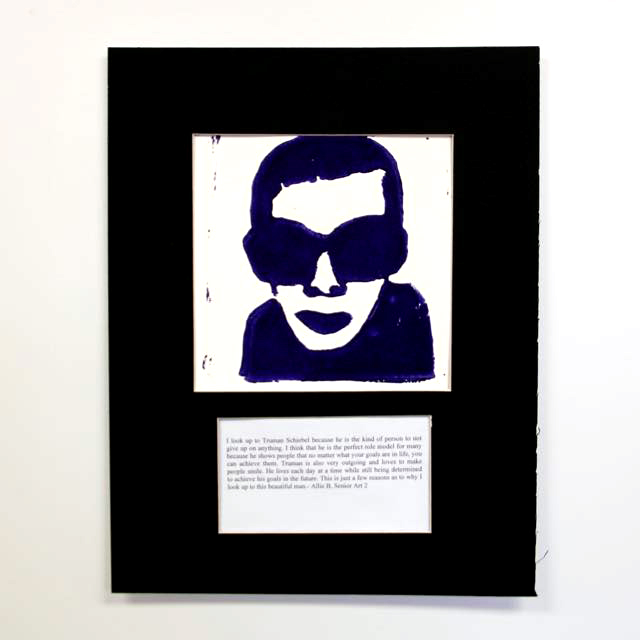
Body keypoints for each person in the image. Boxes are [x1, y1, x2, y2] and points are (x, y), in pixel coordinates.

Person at [240, 136, 434, 382]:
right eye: (290, 252)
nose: (325, 284)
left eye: (360, 253)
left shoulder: (412, 330)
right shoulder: (263, 333)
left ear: (395, 250)